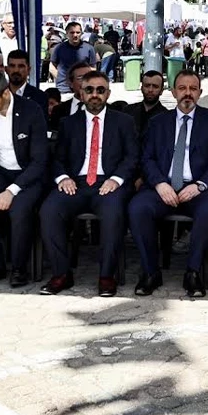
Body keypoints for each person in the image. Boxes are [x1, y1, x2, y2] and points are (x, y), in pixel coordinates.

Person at [129, 70, 208, 297]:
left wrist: (200, 185)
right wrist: (159, 184)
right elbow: (146, 158)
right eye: (182, 88)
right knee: (137, 208)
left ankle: (193, 272)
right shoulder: (158, 122)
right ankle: (150, 272)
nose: (187, 93)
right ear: (173, 92)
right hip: (162, 187)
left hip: (197, 188)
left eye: (193, 89)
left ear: (200, 93)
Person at [40, 70, 139, 297]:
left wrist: (116, 180)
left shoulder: (124, 121)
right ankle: (61, 274)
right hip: (75, 183)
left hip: (108, 183)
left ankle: (106, 276)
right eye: (89, 90)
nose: (95, 94)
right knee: (49, 210)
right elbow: (57, 158)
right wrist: (63, 178)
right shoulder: (68, 123)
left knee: (113, 213)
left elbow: (132, 156)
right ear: (81, 93)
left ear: (108, 94)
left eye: (100, 90)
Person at [0, 69, 49, 287]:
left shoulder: (31, 110)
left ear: (5, 93)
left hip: (28, 173)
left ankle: (19, 268)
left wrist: (11, 190)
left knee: (19, 210)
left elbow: (40, 160)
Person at [47, 21, 98, 95]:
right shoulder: (59, 48)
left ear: (81, 33)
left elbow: (93, 68)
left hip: (83, 89)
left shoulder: (89, 48)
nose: (75, 35)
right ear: (67, 33)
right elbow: (52, 67)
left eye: (78, 32)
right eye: (72, 32)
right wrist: (61, 78)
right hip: (63, 89)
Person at [49, 61, 93, 129]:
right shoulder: (59, 110)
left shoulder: (106, 109)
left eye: (89, 77)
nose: (86, 82)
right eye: (80, 78)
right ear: (70, 83)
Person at [125, 70, 167, 141]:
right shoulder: (128, 111)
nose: (150, 90)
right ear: (141, 88)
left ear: (161, 91)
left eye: (155, 86)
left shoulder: (166, 117)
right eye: (147, 86)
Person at [6, 50, 49, 116]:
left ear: (28, 70)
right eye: (12, 66)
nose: (16, 70)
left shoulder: (40, 97)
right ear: (6, 69)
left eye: (21, 66)